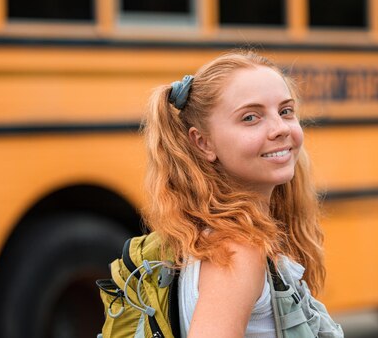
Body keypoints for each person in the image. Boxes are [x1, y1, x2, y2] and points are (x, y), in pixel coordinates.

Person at [142, 50, 343, 338]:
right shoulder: (238, 248)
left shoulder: (215, 236)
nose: (280, 128)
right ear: (203, 143)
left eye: (286, 111)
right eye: (250, 117)